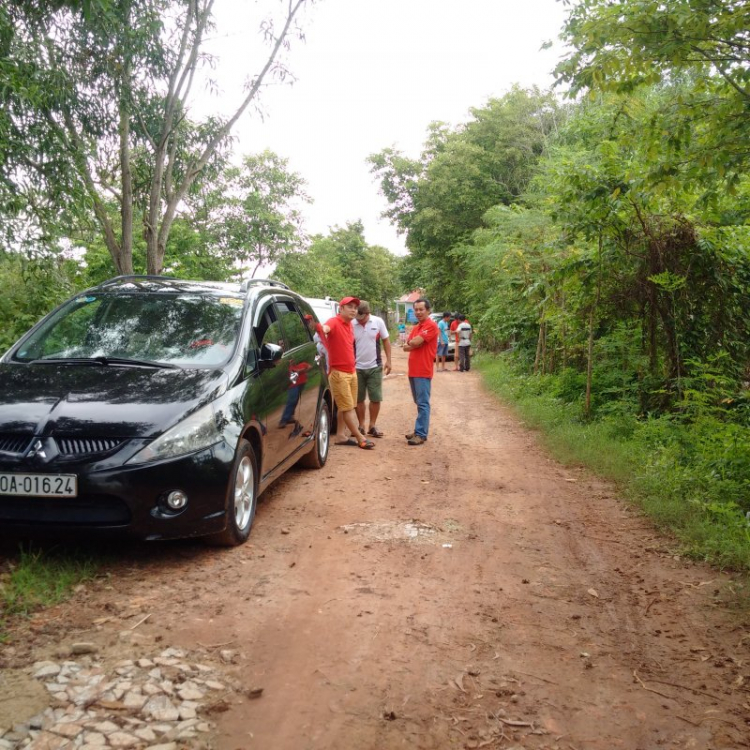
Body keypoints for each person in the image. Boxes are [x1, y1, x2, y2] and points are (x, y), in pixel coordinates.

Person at [321, 296, 375, 450]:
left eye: (355, 307)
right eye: (349, 306)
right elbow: (326, 328)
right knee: (348, 408)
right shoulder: (334, 321)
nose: (353, 310)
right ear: (341, 309)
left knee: (346, 406)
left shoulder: (350, 325)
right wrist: (322, 329)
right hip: (338, 373)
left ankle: (340, 435)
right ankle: (360, 437)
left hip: (351, 371)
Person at [353, 300, 392, 438]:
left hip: (375, 366)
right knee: (358, 398)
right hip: (356, 367)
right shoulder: (352, 324)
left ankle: (372, 425)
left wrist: (389, 360)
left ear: (368, 313)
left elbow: (386, 340)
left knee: (375, 398)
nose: (360, 320)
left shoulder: (378, 322)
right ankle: (361, 425)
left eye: (362, 317)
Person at [403, 297, 439, 446]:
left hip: (423, 370)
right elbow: (406, 345)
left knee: (423, 403)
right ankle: (419, 430)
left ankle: (421, 434)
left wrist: (413, 343)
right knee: (418, 402)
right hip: (413, 370)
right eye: (416, 310)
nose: (418, 312)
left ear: (428, 310)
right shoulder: (417, 327)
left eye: (421, 309)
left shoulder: (431, 326)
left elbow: (413, 343)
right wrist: (413, 343)